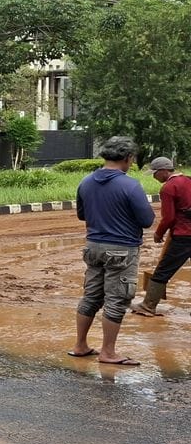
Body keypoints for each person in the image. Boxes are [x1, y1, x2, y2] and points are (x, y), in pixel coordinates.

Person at [68, 136, 154, 365]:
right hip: (122, 249)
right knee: (117, 300)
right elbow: (147, 220)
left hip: (93, 247)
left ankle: (80, 345)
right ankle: (108, 352)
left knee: (91, 297)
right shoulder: (130, 185)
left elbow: (82, 215)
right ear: (127, 158)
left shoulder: (86, 182)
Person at [131, 156, 190, 317]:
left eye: (155, 173)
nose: (154, 177)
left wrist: (158, 233)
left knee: (163, 271)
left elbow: (169, 218)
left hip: (183, 236)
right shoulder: (188, 180)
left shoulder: (169, 187)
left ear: (164, 171)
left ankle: (148, 306)